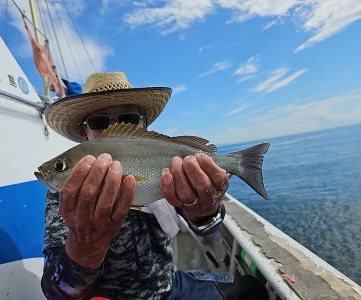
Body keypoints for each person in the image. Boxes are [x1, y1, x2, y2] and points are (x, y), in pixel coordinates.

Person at [41, 72, 268, 299]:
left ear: (144, 125)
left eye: (129, 119)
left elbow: (209, 230)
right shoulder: (64, 194)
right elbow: (57, 293)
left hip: (169, 287)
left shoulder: (169, 160)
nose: (116, 129)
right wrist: (85, 245)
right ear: (84, 132)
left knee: (252, 290)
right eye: (98, 122)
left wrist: (205, 211)